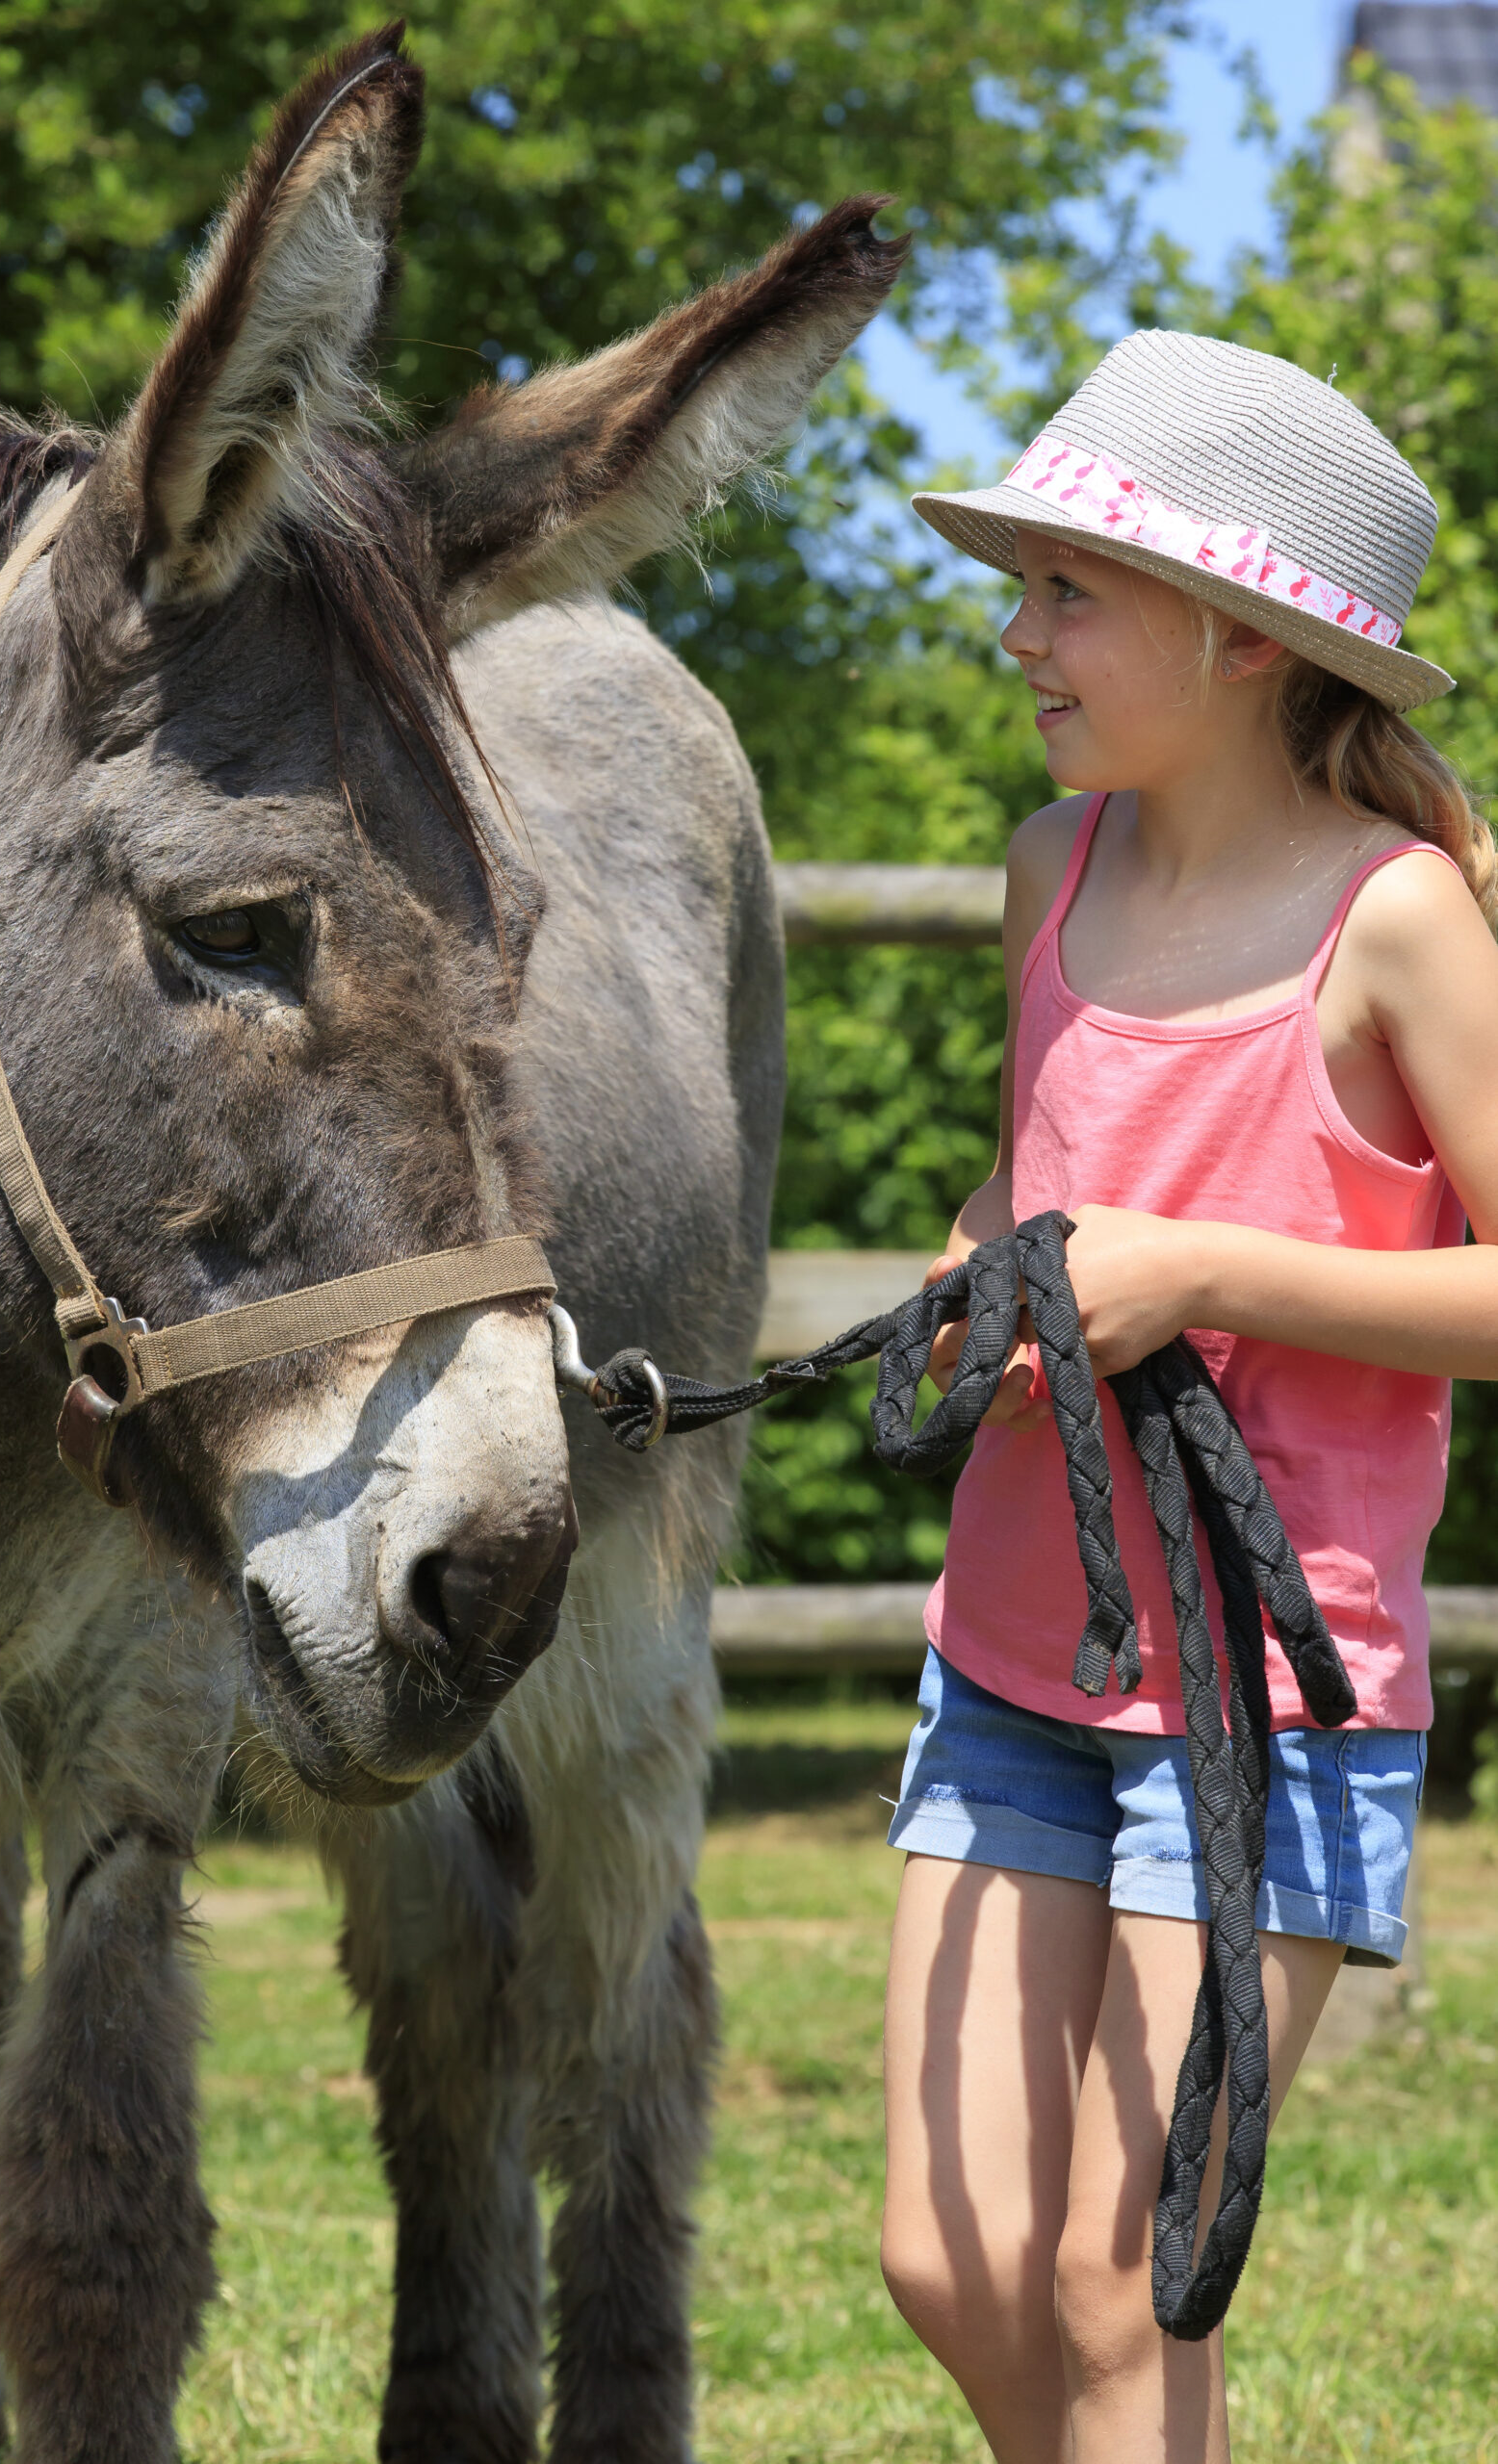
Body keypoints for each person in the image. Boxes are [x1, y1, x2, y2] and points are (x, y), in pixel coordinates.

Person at [879, 328, 1498, 2464]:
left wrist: (1203, 1275)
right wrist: (974, 1273)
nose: (1016, 633)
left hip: (1271, 1697)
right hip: (1012, 1655)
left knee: (1119, 2283)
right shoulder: (1048, 866)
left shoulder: (1394, 923)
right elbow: (1026, 1178)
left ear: (1239, 635)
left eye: (1068, 590)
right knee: (952, 2258)